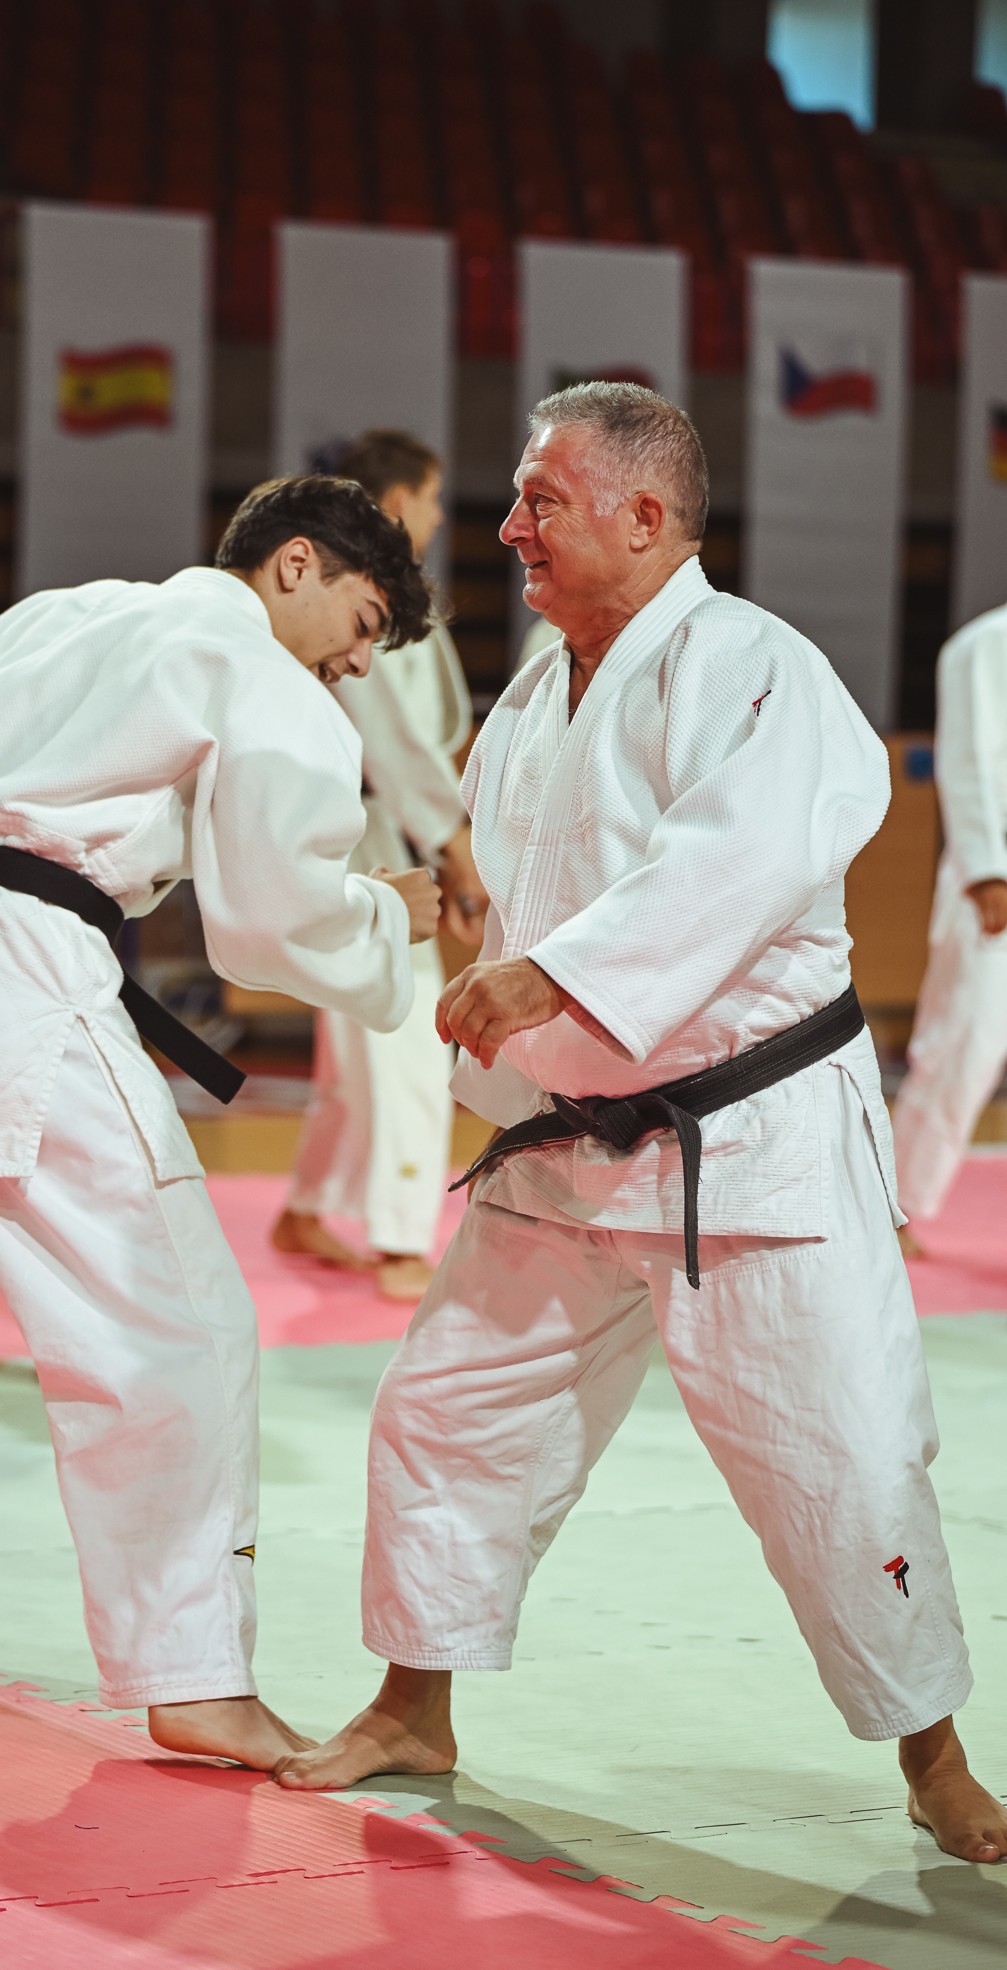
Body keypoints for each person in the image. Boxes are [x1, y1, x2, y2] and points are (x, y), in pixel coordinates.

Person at [273, 383, 1007, 1867]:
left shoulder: (755, 668)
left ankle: (933, 1756)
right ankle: (415, 1704)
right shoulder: (536, 694)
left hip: (751, 1146)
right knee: (447, 1415)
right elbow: (512, 881)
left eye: (540, 500)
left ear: (645, 515)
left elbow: (741, 861)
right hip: (566, 1141)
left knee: (840, 1457)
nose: (509, 528)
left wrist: (555, 974)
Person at [0, 476, 442, 1774]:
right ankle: (194, 1674)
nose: (360, 663)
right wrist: (380, 914)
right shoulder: (252, 666)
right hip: (27, 969)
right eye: (363, 624)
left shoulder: (62, 614)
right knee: (178, 1322)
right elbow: (263, 919)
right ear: (295, 564)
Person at [272, 430, 487, 1301]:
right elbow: (395, 745)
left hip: (371, 824)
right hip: (371, 828)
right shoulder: (365, 599)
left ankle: (307, 1204)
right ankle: (400, 1237)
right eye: (432, 499)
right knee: (402, 1031)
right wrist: (453, 848)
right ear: (398, 501)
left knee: (351, 1039)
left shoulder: (385, 594)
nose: (438, 517)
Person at [892, 602, 1007, 1256]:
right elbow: (964, 762)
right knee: (966, 1040)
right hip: (993, 870)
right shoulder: (983, 644)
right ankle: (894, 1202)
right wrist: (985, 868)